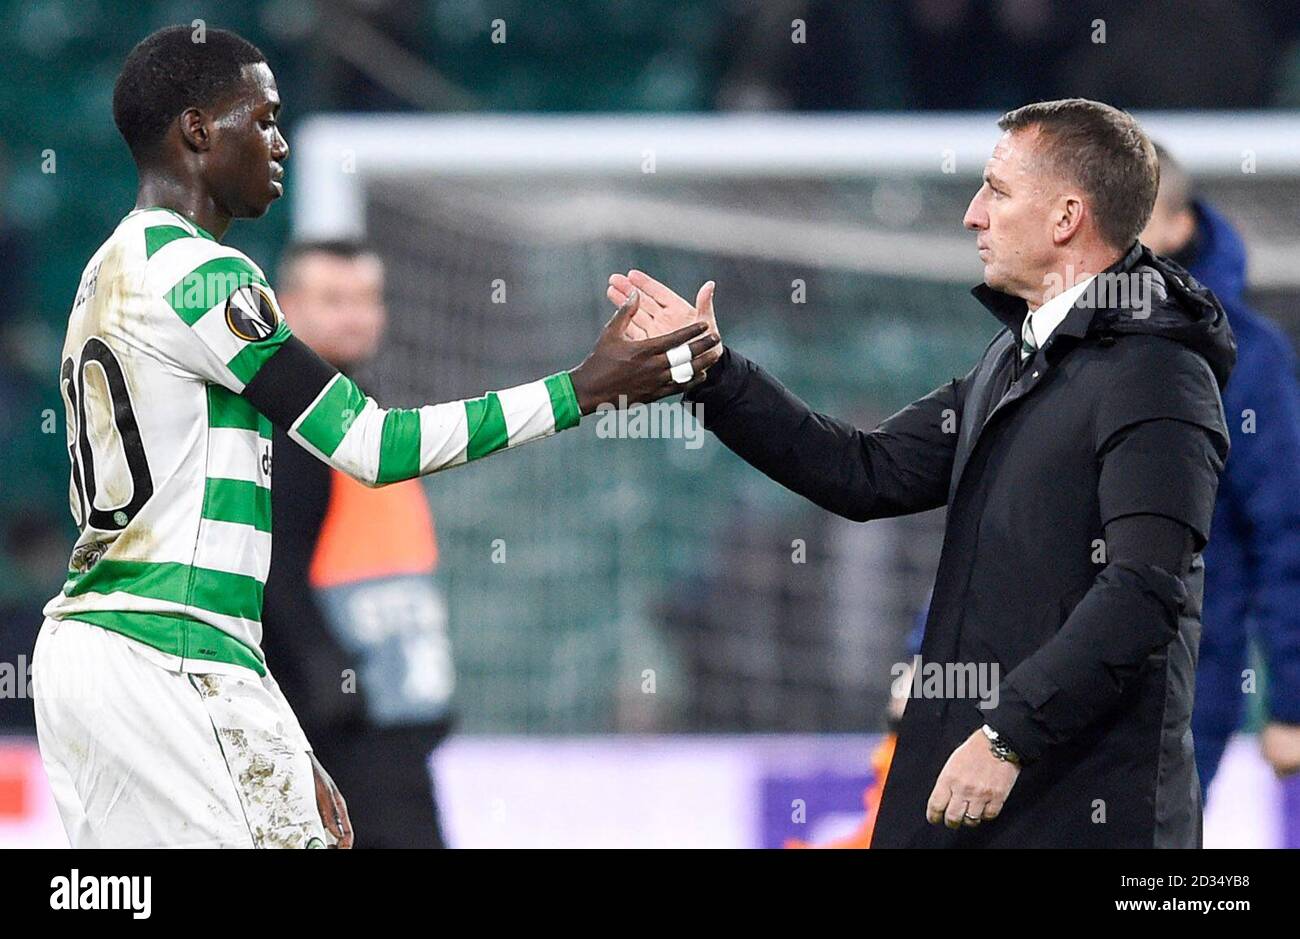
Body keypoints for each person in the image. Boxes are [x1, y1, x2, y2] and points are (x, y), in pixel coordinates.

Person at [32, 25, 719, 849]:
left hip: (97, 653)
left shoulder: (102, 273)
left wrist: (275, 731)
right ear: (198, 130)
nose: (281, 142)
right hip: (168, 651)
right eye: (265, 117)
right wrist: (584, 388)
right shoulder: (204, 272)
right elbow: (373, 444)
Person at [611, 98, 1235, 847]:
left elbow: (1143, 591)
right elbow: (862, 471)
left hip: (1086, 811)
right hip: (984, 790)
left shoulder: (1158, 374)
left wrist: (1008, 733)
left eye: (997, 191)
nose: (974, 214)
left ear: (1067, 216)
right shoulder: (1014, 362)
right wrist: (711, 372)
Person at [261, 240, 455, 848]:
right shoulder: (290, 432)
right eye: (333, 300)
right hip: (340, 730)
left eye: (367, 299)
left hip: (394, 715)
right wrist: (328, 682)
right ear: (286, 308)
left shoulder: (367, 420)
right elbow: (272, 569)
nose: (355, 315)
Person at [1141, 145, 1300, 790]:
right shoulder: (1044, 338)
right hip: (1033, 675)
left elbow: (1284, 530)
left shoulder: (1246, 356)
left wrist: (1292, 700)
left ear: (1180, 225)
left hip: (1181, 678)